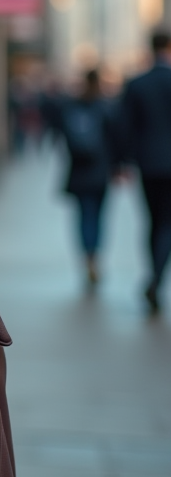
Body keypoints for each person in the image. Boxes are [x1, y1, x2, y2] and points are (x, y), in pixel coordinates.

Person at [121, 29, 171, 315]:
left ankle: (154, 275)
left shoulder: (137, 83)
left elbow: (124, 126)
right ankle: (156, 278)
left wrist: (122, 161)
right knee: (167, 222)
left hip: (148, 164)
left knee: (154, 221)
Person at [53, 70, 118, 288]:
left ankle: (87, 257)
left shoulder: (72, 106)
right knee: (98, 216)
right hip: (100, 171)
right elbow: (116, 138)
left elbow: (62, 134)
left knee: (84, 215)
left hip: (79, 171)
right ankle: (94, 256)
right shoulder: (105, 107)